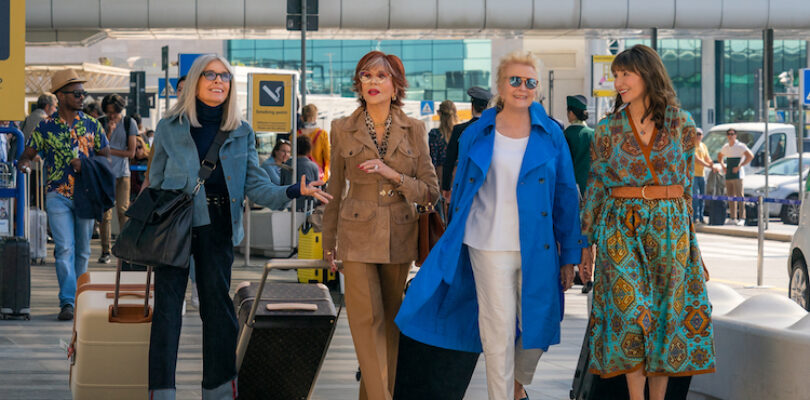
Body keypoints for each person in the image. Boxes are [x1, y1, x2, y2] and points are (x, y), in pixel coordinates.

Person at [396, 51, 584, 400]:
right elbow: (462, 189)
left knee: (537, 328)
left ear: (538, 88)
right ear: (500, 85)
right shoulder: (477, 133)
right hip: (487, 244)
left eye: (530, 82)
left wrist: (570, 253)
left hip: (537, 246)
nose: (522, 87)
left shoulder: (552, 134)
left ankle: (516, 387)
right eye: (514, 80)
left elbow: (565, 196)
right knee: (496, 332)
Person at [146, 54, 331, 400]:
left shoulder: (241, 131)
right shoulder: (169, 126)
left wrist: (293, 190)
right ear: (196, 81)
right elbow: (154, 183)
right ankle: (162, 392)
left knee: (218, 312)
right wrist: (146, 231)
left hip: (217, 226)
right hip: (173, 225)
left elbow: (256, 186)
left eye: (225, 77)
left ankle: (217, 392)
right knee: (167, 312)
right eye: (211, 75)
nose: (219, 81)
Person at [578, 45, 715, 400]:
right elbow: (595, 185)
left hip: (670, 229)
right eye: (616, 74)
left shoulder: (682, 124)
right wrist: (586, 244)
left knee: (666, 318)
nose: (618, 81)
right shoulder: (606, 130)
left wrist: (694, 249)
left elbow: (686, 192)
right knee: (629, 312)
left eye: (626, 74)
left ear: (648, 74)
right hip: (621, 224)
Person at [322, 50, 439, 400]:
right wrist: (330, 243)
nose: (372, 82)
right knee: (364, 320)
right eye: (366, 76)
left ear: (395, 85)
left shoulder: (415, 129)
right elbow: (334, 190)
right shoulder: (341, 128)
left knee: (389, 326)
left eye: (381, 76)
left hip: (400, 234)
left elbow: (430, 192)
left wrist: (393, 174)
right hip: (355, 235)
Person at [18, 69, 110, 321]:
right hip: (57, 194)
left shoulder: (92, 124)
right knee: (64, 248)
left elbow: (105, 157)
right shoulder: (45, 127)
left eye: (83, 93)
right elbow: (27, 154)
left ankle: (80, 297)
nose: (82, 97)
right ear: (61, 95)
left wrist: (90, 167)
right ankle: (67, 301)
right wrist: (25, 163)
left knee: (82, 251)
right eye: (77, 93)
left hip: (86, 194)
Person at [96, 94, 138, 264]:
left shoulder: (129, 123)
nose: (111, 116)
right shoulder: (100, 123)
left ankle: (125, 249)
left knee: (123, 211)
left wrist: (110, 150)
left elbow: (131, 152)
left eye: (114, 112)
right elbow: (97, 148)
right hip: (104, 173)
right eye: (108, 113)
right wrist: (109, 132)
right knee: (105, 214)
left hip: (123, 173)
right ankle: (105, 250)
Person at [441, 86, 493, 202]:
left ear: (472, 107)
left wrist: (446, 187)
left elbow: (449, 161)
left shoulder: (459, 130)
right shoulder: (493, 130)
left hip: (464, 183)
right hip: (488, 186)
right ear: (487, 108)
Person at [718, 128, 753, 226]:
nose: (730, 136)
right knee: (730, 196)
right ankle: (733, 217)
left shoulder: (740, 146)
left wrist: (739, 166)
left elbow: (750, 156)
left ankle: (742, 217)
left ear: (735, 135)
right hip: (729, 174)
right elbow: (720, 156)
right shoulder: (726, 147)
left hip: (738, 175)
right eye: (728, 134)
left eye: (732, 134)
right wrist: (722, 165)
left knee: (739, 196)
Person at [563, 95, 594, 200]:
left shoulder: (565, 134)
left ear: (571, 113)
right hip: (591, 187)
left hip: (571, 186)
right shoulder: (594, 134)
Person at [281, 135, 321, 211]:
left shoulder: (285, 166)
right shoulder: (313, 166)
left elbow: (281, 187)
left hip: (290, 206)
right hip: (307, 207)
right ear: (309, 150)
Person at [428, 99, 457, 188]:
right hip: (457, 179)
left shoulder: (435, 135)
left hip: (440, 177)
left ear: (439, 114)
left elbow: (432, 160)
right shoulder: (461, 133)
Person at [299, 103, 330, 181]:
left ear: (302, 118)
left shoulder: (295, 135)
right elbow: (327, 157)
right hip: (317, 175)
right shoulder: (322, 134)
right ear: (315, 117)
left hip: (299, 174)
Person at [692, 128, 713, 224]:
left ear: (702, 135)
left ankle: (701, 217)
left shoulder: (703, 146)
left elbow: (707, 158)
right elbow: (697, 160)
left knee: (702, 197)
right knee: (695, 197)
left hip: (702, 175)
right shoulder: (691, 146)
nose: (698, 136)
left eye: (700, 134)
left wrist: (712, 164)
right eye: (696, 134)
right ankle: (695, 217)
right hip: (693, 175)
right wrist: (709, 165)